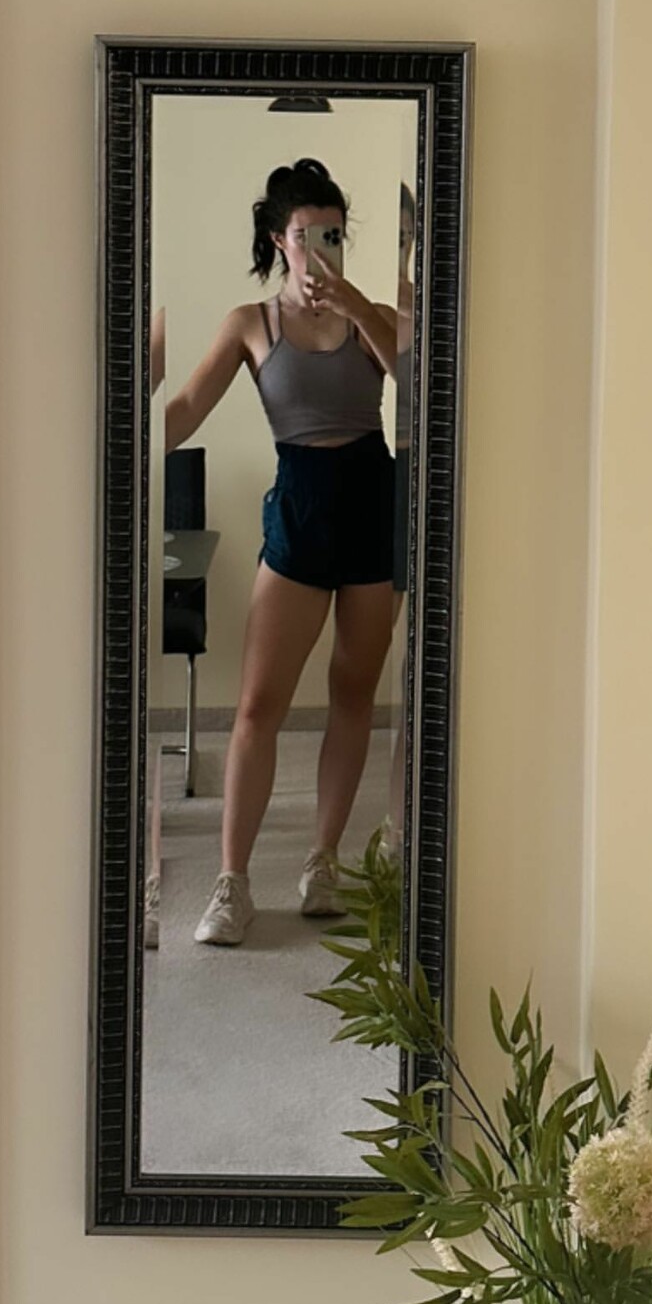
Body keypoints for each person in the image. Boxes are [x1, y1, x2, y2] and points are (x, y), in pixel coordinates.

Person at [164, 157, 398, 945]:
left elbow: (427, 385)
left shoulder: (374, 317)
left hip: (373, 511)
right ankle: (231, 883)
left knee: (353, 694)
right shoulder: (250, 324)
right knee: (258, 707)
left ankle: (322, 861)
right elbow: (187, 405)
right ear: (279, 240)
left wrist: (359, 307)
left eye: (334, 233)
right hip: (299, 514)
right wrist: (122, 444)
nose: (322, 248)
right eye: (307, 235)